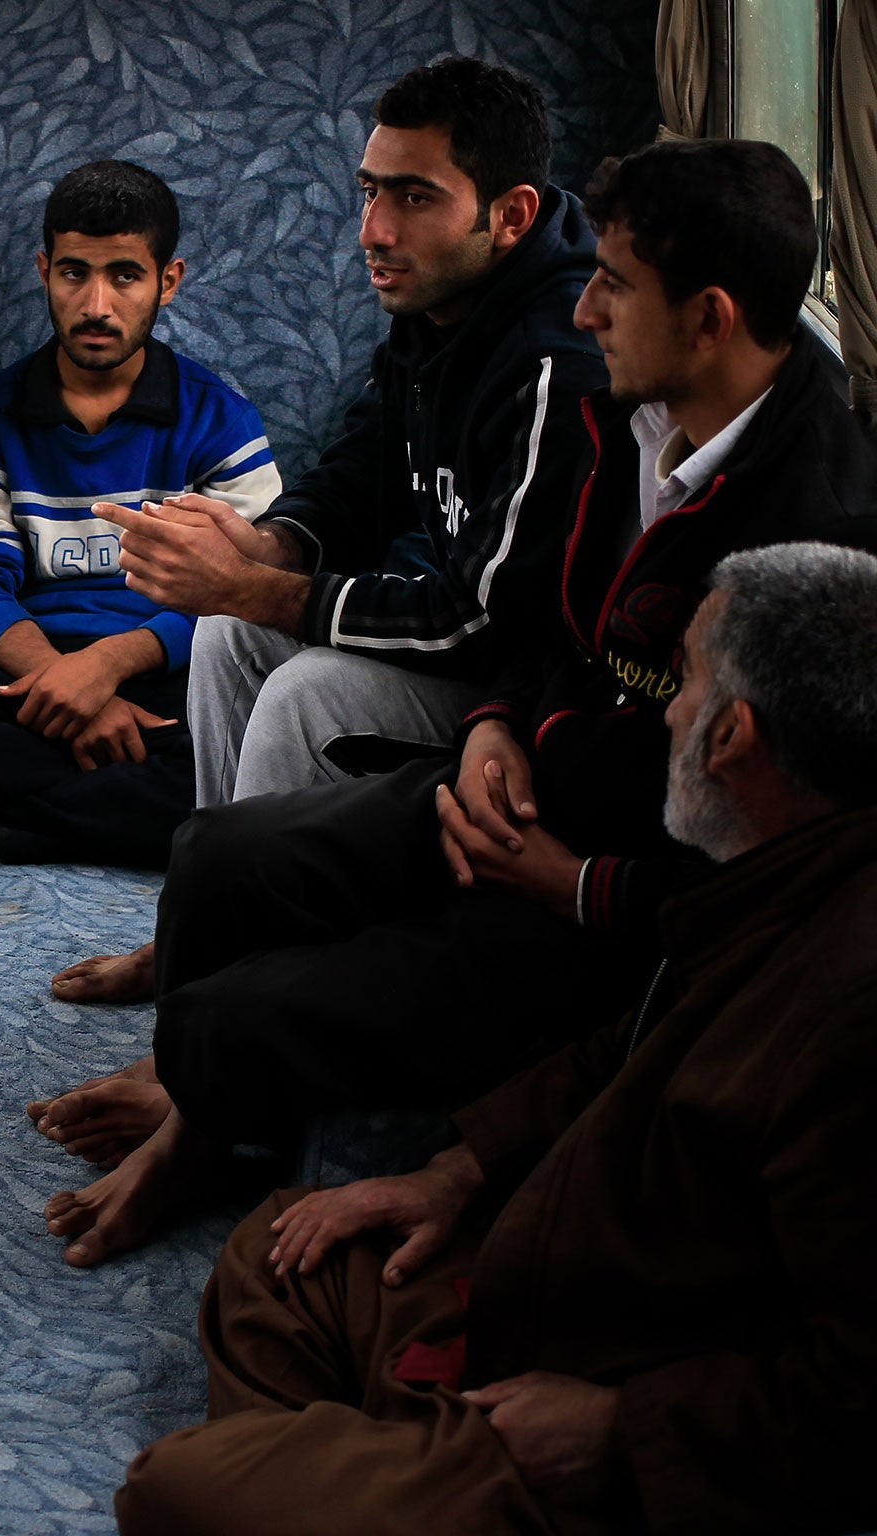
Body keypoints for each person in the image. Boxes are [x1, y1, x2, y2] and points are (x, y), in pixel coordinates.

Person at [31, 137, 877, 1262]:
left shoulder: (813, 533)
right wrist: (489, 732)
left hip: (594, 902)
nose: (584, 311)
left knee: (235, 1014)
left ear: (710, 318)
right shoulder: (628, 421)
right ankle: (206, 1099)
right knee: (215, 856)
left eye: (614, 284)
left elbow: (774, 878)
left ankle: (200, 1130)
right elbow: (547, 627)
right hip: (519, 778)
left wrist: (573, 884)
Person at [115, 542, 877, 1536]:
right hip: (547, 1280)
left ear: (732, 736)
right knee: (278, 1255)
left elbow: (856, 1393)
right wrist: (461, 1169)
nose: (662, 711)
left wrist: (615, 1429)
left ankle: (388, 1478)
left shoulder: (848, 1011)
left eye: (682, 682)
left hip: (620, 1411)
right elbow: (631, 1047)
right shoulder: (767, 875)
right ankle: (385, 1472)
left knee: (172, 1489)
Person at [51, 53, 604, 997]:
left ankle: (242, 992)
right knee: (228, 632)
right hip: (459, 645)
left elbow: (487, 616)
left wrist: (263, 588)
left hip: (525, 687)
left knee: (303, 686)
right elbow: (358, 471)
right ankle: (206, 927)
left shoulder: (560, 355)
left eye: (415, 197)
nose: (373, 230)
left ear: (508, 215)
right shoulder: (440, 301)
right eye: (370, 190)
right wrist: (261, 546)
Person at [0, 159, 282, 869]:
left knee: (255, 766)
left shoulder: (219, 420)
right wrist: (67, 689)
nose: (96, 304)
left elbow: (243, 598)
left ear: (169, 280)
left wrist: (106, 666)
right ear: (44, 272)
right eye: (74, 273)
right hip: (24, 670)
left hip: (164, 670)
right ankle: (99, 802)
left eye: (125, 276)